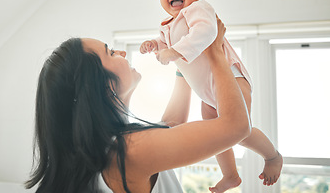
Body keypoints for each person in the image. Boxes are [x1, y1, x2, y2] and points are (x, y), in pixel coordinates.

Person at [25, 18, 251, 193]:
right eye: (111, 53)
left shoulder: (112, 147)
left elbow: (170, 125)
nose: (121, 52)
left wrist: (184, 60)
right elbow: (237, 126)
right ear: (98, 84)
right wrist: (215, 52)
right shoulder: (129, 150)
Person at [140, 0, 283, 192]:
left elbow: (206, 33)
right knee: (217, 132)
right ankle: (231, 175)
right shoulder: (168, 25)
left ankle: (272, 156)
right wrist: (154, 45)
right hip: (206, 90)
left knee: (240, 130)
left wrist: (173, 52)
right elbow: (166, 41)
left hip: (230, 77)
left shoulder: (199, 9)